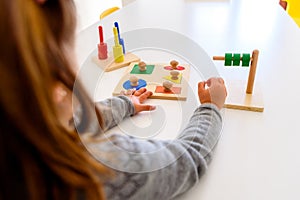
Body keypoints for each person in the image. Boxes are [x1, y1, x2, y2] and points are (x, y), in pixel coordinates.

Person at [0, 0, 227, 200]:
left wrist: (125, 104)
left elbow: (74, 121)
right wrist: (210, 107)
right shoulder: (100, 171)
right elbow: (187, 159)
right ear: (55, 85)